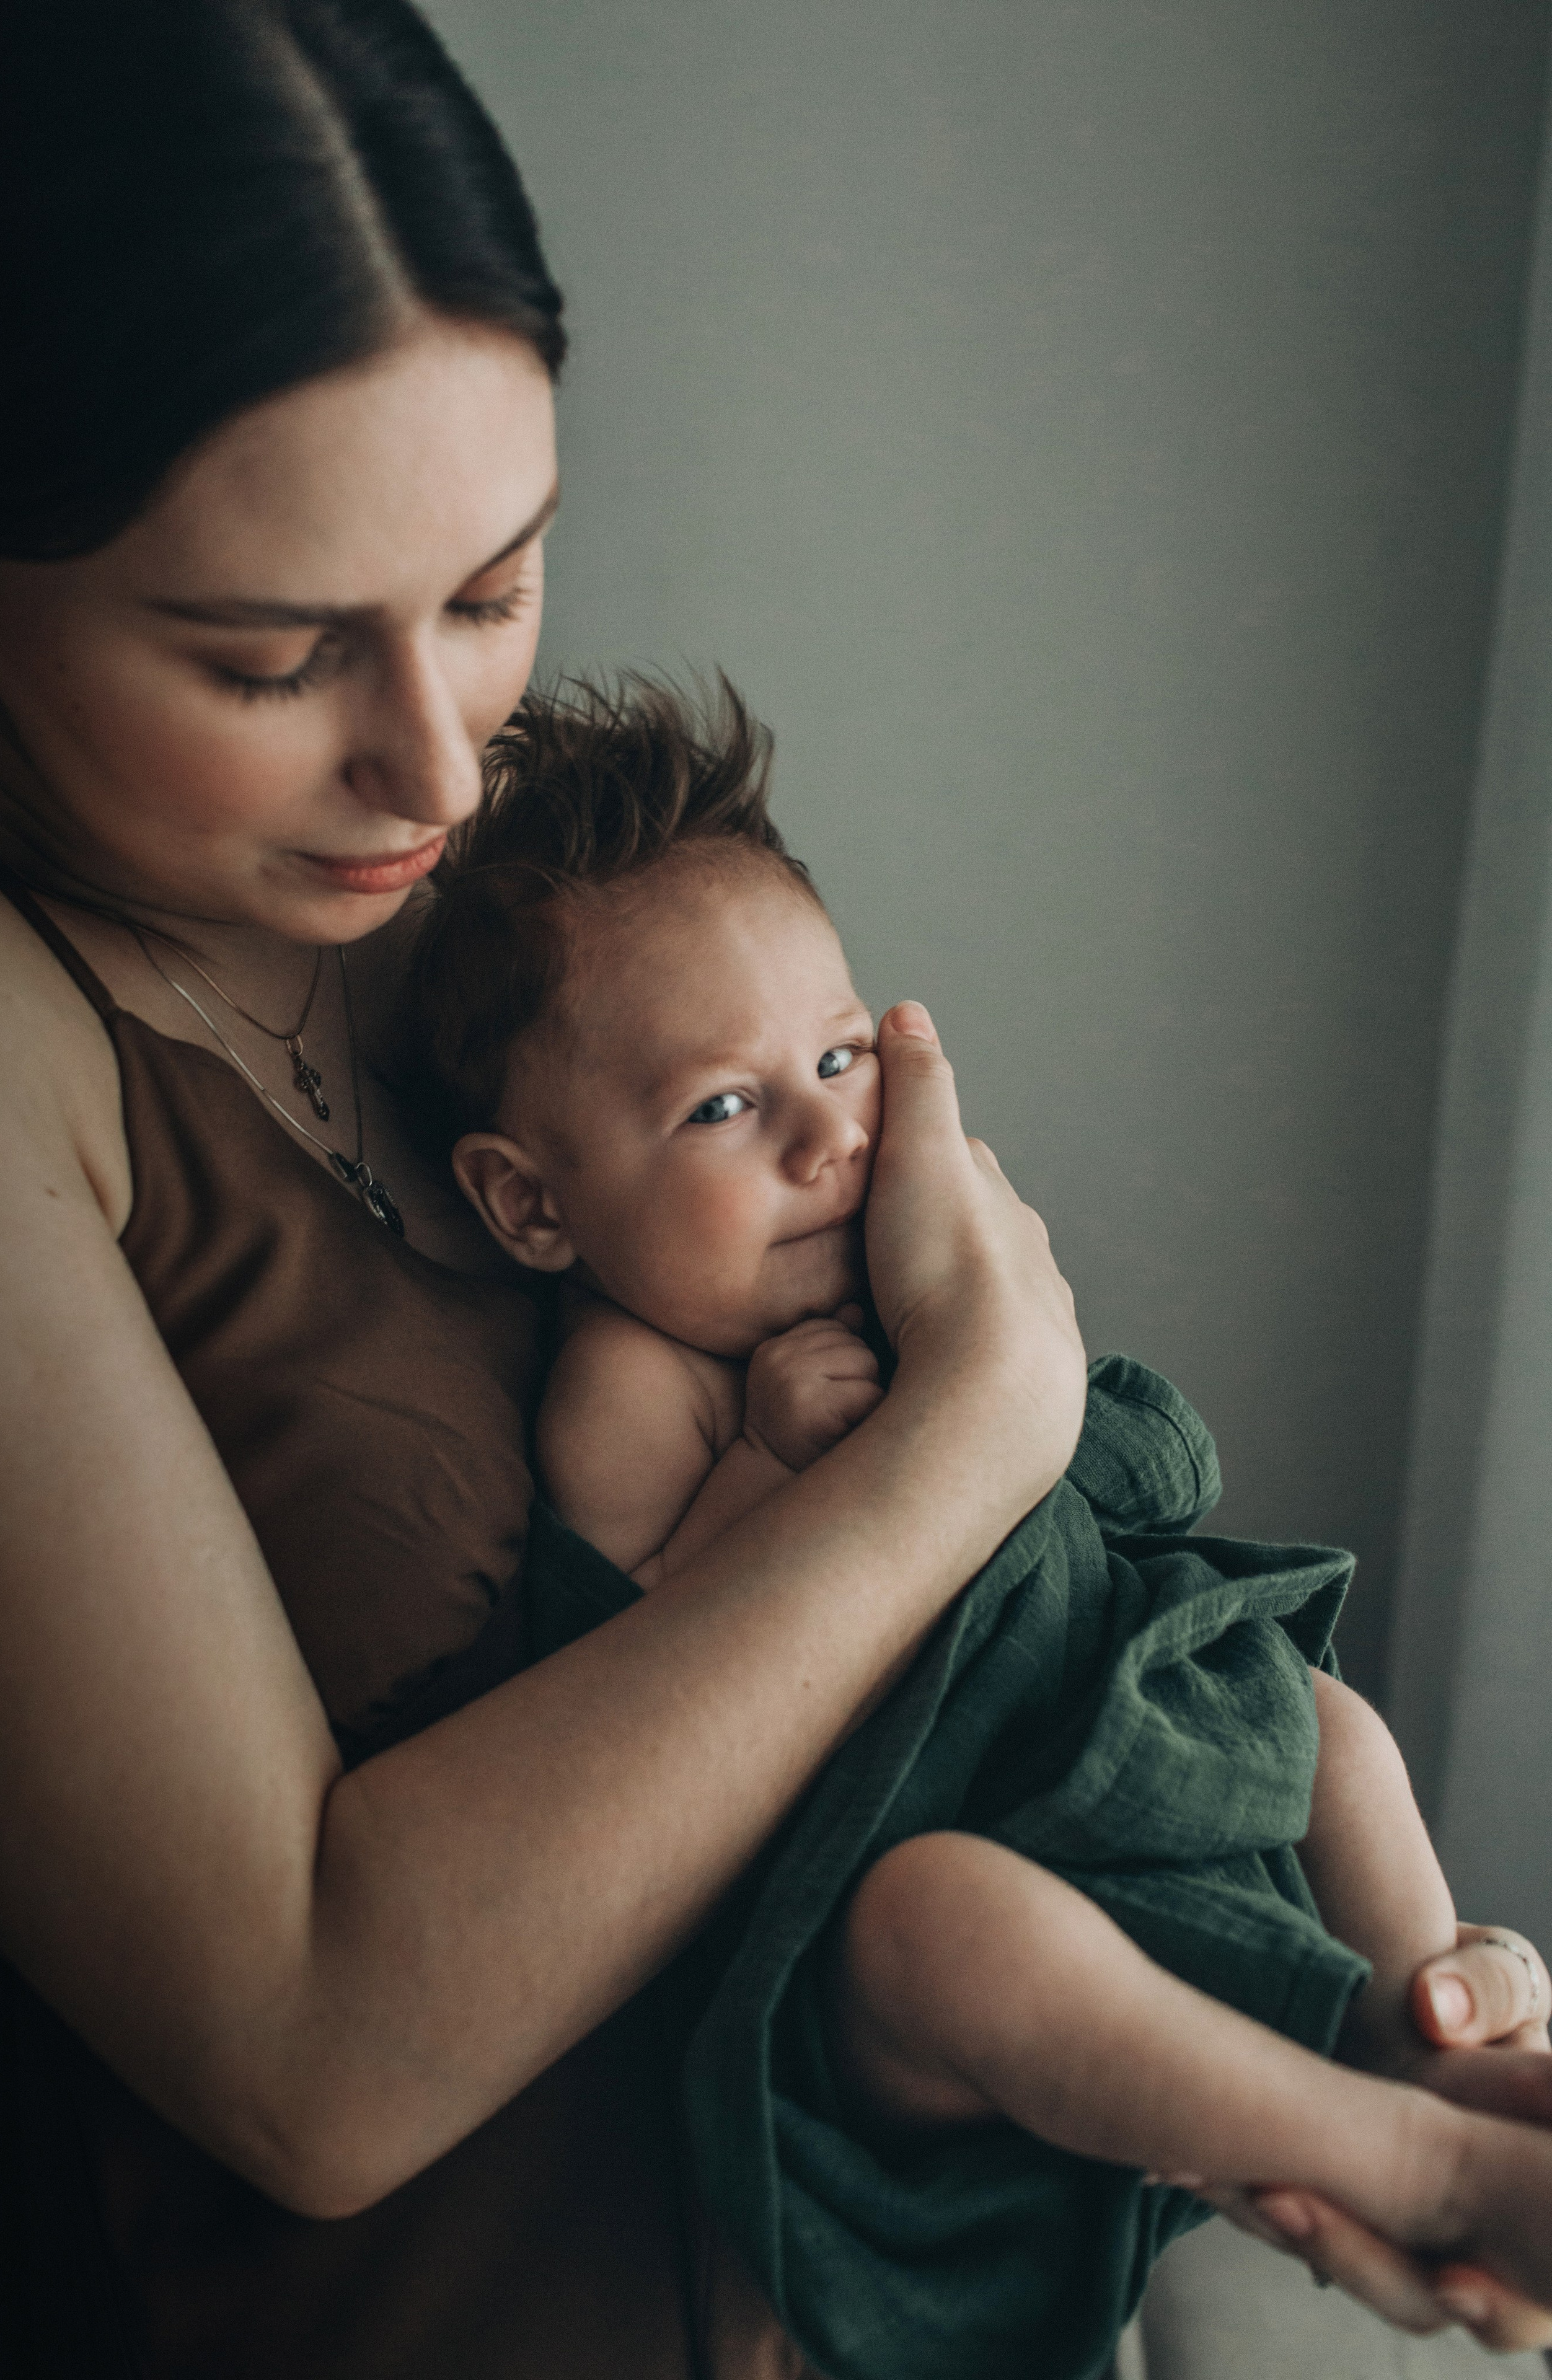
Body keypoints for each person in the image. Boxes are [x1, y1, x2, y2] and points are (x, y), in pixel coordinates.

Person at [0, 2, 1545, 2373]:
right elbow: (307, 2057)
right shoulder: (13, 1039)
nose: (434, 761)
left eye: (495, 590)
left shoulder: (494, 920)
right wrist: (963, 1438)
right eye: (275, 657)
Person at [402, 674, 1552, 2376]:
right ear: (530, 1199)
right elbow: (644, 1651)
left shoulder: (886, 1248)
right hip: (874, 1906)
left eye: (841, 1056)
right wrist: (769, 1470)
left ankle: (1418, 2017)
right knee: (948, 1918)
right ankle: (1399, 2154)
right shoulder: (632, 1382)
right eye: (723, 1107)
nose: (824, 1138)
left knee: (1328, 1726)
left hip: (1089, 1761)